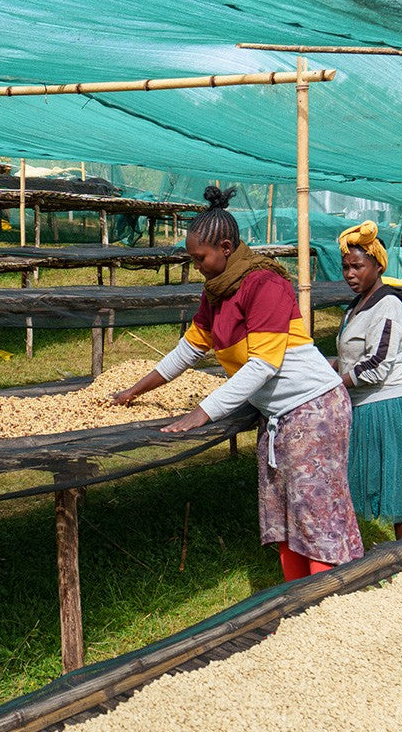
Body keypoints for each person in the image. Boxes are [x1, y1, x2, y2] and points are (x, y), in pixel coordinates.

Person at [113, 185, 363, 581]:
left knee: (316, 510)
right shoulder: (215, 293)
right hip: (279, 415)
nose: (196, 265)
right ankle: (297, 595)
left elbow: (263, 364)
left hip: (315, 410)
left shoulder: (265, 284)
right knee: (282, 508)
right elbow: (187, 351)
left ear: (226, 247)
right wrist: (133, 391)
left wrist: (204, 411)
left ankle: (334, 594)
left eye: (201, 257)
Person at [336, 221, 402, 540]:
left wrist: (335, 384)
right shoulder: (355, 307)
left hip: (388, 408)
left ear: (378, 266)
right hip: (361, 408)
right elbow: (348, 358)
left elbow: (377, 364)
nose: (350, 274)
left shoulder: (388, 305)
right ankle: (356, 561)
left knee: (399, 494)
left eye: (358, 266)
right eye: (345, 267)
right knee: (358, 485)